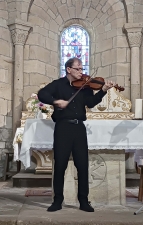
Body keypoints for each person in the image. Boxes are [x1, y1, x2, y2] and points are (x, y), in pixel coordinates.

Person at [37, 57, 115, 212]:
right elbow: (42, 94)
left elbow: (91, 103)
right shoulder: (58, 85)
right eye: (78, 69)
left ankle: (84, 201)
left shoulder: (86, 87)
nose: (82, 72)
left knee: (82, 165)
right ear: (68, 69)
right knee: (60, 165)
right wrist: (56, 101)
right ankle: (57, 201)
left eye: (82, 68)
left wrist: (103, 91)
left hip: (79, 128)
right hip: (63, 128)